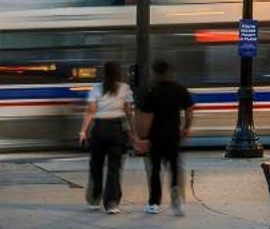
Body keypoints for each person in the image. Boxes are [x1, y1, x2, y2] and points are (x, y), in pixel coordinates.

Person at [80, 61, 137, 214]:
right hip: (117, 130)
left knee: (96, 165)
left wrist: (83, 131)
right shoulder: (124, 88)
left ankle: (94, 199)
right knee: (114, 168)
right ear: (118, 73)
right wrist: (133, 133)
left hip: (99, 129)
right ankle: (111, 203)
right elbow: (128, 113)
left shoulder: (97, 88)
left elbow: (91, 111)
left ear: (103, 73)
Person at [141, 57, 196, 215]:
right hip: (173, 134)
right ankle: (175, 195)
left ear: (156, 73)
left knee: (156, 169)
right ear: (168, 72)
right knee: (174, 167)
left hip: (156, 135)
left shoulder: (152, 91)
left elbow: (148, 117)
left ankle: (154, 203)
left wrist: (144, 137)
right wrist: (186, 127)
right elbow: (189, 110)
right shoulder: (179, 89)